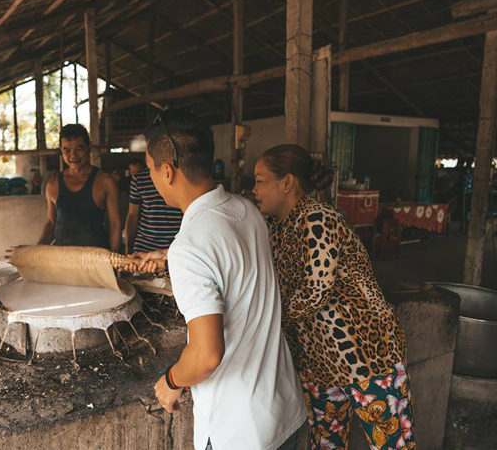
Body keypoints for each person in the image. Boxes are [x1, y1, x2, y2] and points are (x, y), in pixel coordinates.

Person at [128, 111, 306, 450]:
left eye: (151, 168)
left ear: (167, 171)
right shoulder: (247, 211)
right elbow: (226, 253)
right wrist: (168, 254)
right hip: (286, 410)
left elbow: (207, 354)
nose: (151, 177)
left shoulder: (190, 245)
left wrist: (171, 380)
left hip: (240, 432)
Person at [252, 144, 414, 450]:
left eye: (260, 180)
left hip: (368, 355)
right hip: (318, 361)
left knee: (393, 444)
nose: (253, 189)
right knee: (325, 444)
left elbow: (315, 291)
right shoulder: (275, 228)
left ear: (286, 182)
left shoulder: (317, 219)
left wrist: (263, 320)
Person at [39, 124, 121, 252]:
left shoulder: (105, 181)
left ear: (89, 147)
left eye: (79, 149)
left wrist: (115, 262)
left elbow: (115, 224)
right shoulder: (53, 185)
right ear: (61, 150)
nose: (73, 155)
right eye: (67, 151)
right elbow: (50, 223)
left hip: (96, 261)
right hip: (61, 261)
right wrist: (35, 251)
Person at [125, 159, 183, 254]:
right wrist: (128, 248)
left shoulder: (182, 178)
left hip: (174, 249)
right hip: (144, 248)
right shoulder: (139, 179)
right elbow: (132, 215)